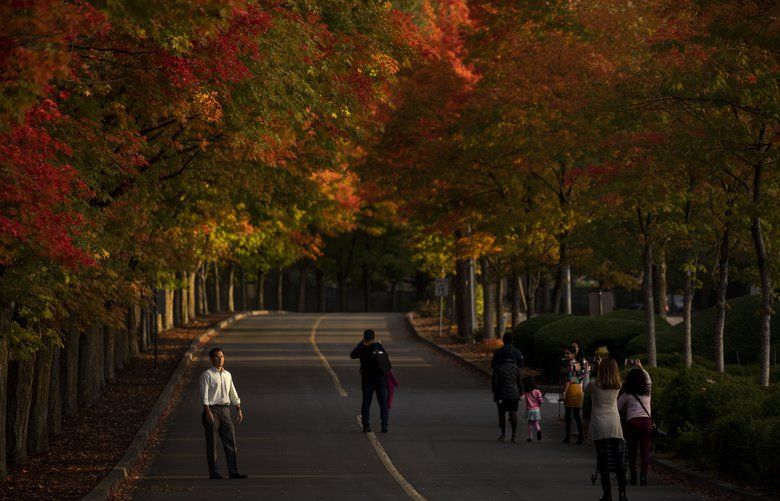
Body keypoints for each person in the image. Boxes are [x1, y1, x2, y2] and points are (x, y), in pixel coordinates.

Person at [199, 347, 247, 480]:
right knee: (212, 443)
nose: (220, 359)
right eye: (216, 357)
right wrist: (208, 411)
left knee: (230, 441)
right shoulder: (207, 375)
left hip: (225, 410)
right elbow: (204, 395)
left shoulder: (227, 375)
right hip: (212, 410)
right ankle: (214, 472)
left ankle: (234, 471)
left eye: (222, 357)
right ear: (211, 359)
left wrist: (238, 408)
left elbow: (232, 392)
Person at [585, 357, 627, 501]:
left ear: (601, 369)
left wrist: (587, 370)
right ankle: (622, 493)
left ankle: (607, 494)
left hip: (598, 423)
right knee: (618, 459)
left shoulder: (594, 384)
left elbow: (585, 388)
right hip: (614, 423)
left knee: (602, 461)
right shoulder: (618, 385)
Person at [618, 360, 653, 486]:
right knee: (645, 451)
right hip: (646, 423)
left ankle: (633, 477)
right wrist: (642, 368)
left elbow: (617, 408)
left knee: (632, 451)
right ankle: (643, 477)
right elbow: (648, 379)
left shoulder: (627, 394)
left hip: (632, 423)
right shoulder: (647, 391)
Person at [350, 329, 390, 433]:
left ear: (364, 337)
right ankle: (384, 425)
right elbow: (386, 360)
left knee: (366, 402)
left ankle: (366, 425)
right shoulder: (378, 346)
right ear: (374, 337)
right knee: (383, 402)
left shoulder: (362, 348)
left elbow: (352, 355)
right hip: (380, 378)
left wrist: (361, 343)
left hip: (367, 379)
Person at [491, 332, 524, 442]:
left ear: (503, 340)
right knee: (513, 411)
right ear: (512, 341)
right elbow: (520, 379)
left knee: (501, 412)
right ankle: (514, 434)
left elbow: (494, 380)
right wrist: (521, 391)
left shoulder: (498, 356)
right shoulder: (517, 356)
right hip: (514, 391)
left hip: (501, 391)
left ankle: (503, 433)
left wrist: (495, 392)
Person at [561, 346, 587, 444]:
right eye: (565, 353)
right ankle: (581, 436)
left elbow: (568, 380)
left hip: (571, 389)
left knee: (568, 415)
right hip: (579, 389)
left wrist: (564, 393)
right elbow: (582, 376)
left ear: (573, 354)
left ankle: (567, 437)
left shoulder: (569, 365)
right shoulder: (580, 363)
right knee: (577, 415)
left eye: (568, 353)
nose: (566, 355)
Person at [523, 377, 544, 442]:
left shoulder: (527, 392)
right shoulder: (537, 391)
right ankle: (538, 429)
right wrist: (538, 405)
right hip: (536, 409)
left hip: (529, 409)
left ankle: (530, 437)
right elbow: (541, 400)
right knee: (536, 422)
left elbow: (521, 397)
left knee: (530, 424)